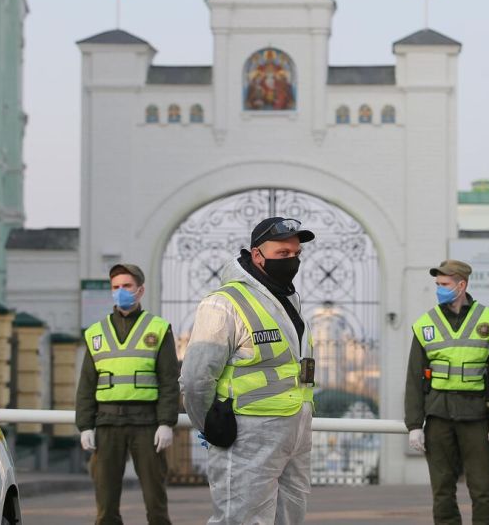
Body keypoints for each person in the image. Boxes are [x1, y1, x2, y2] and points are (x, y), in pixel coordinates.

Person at [180, 217, 316, 525]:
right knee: (240, 520)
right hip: (246, 433)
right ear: (257, 255)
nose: (292, 261)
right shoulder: (224, 304)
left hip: (294, 431)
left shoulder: (288, 301)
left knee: (290, 517)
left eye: (296, 255)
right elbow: (195, 378)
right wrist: (211, 426)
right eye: (283, 254)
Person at [405, 259, 489, 525]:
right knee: (442, 491)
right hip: (438, 418)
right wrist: (414, 424)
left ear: (461, 285)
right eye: (437, 285)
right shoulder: (425, 325)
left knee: (483, 491)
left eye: (445, 284)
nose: (439, 289)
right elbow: (414, 378)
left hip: (476, 417)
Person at [76, 263, 180, 525]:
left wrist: (167, 423)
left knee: (156, 505)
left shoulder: (158, 328)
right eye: (115, 287)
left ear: (140, 290)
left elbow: (169, 380)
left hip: (146, 424)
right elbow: (87, 384)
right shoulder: (95, 333)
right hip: (107, 423)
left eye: (127, 286)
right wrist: (85, 426)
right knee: (106, 506)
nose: (120, 291)